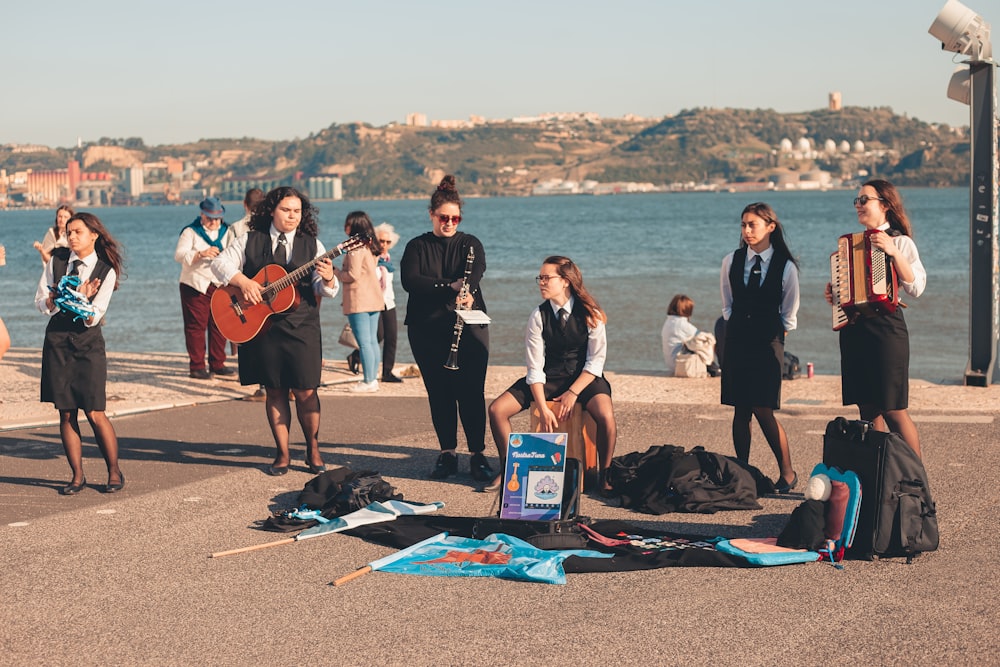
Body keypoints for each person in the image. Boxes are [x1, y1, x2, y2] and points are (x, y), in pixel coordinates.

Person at [211, 186, 339, 476]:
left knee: (307, 390)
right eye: (286, 210)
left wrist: (330, 279)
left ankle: (313, 449)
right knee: (275, 390)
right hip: (261, 325)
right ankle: (282, 454)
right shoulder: (249, 240)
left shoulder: (312, 245)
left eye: (297, 211)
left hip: (302, 326)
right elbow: (219, 265)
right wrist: (244, 283)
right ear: (271, 210)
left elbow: (323, 289)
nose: (292, 216)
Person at [487, 256, 617, 495]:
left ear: (565, 281)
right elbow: (534, 367)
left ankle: (605, 475)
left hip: (584, 378)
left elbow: (596, 361)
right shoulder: (538, 315)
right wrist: (542, 407)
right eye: (540, 278)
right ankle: (509, 468)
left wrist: (573, 392)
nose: (541, 283)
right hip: (549, 376)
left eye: (547, 278)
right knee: (497, 410)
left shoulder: (591, 314)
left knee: (606, 415)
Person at [401, 174, 493, 481]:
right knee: (439, 393)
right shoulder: (417, 246)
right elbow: (411, 281)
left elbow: (476, 271)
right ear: (432, 215)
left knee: (472, 392)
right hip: (426, 329)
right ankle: (447, 453)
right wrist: (448, 285)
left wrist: (466, 289)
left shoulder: (470, 243)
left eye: (455, 218)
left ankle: (478, 454)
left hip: (469, 326)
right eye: (444, 217)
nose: (449, 223)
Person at [825, 179, 926, 457]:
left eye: (864, 200)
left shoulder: (900, 241)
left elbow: (916, 287)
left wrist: (892, 251)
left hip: (886, 332)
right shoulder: (853, 244)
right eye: (856, 201)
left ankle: (918, 483)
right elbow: (851, 293)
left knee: (894, 409)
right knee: (868, 410)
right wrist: (836, 293)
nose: (858, 206)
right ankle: (885, 477)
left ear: (884, 205)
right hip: (856, 331)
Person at [34, 212, 126, 495]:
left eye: (78, 232)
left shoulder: (105, 270)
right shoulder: (58, 261)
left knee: (95, 411)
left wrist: (81, 299)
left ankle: (113, 471)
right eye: (69, 232)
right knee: (66, 412)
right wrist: (51, 300)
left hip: (88, 344)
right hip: (58, 341)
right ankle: (77, 476)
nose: (71, 237)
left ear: (93, 235)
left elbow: (94, 317)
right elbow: (40, 301)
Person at [720, 202, 800, 492]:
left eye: (752, 224)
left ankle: (788, 473)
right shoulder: (731, 260)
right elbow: (727, 305)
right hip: (737, 340)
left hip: (768, 345)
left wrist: (772, 338)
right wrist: (738, 329)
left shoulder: (786, 266)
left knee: (763, 409)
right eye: (743, 225)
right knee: (740, 410)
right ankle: (741, 475)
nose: (746, 230)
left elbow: (789, 315)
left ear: (770, 227)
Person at [174, 196, 234, 379]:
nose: (214, 222)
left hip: (220, 283)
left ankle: (218, 363)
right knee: (196, 326)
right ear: (202, 215)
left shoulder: (228, 231)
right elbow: (179, 255)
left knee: (220, 324)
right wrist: (200, 254)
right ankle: (197, 366)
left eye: (217, 218)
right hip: (195, 284)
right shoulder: (191, 232)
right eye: (210, 218)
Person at [348, 222, 403, 382]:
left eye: (388, 242)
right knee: (377, 336)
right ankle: (356, 356)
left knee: (391, 337)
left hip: (388, 302)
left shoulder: (388, 260)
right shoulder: (370, 258)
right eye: (381, 241)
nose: (384, 245)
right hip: (372, 302)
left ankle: (387, 372)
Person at [336, 211, 384, 392]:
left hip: (359, 300)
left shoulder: (355, 247)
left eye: (348, 224)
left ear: (354, 226)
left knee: (364, 342)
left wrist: (335, 272)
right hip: (373, 297)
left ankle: (368, 380)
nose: (345, 227)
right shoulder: (371, 245)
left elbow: (352, 275)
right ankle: (373, 378)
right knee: (372, 342)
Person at [661, 294, 718, 376]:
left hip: (671, 363)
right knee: (705, 340)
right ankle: (713, 368)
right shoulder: (682, 324)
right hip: (682, 363)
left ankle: (712, 367)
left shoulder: (668, 322)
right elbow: (700, 336)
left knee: (694, 343)